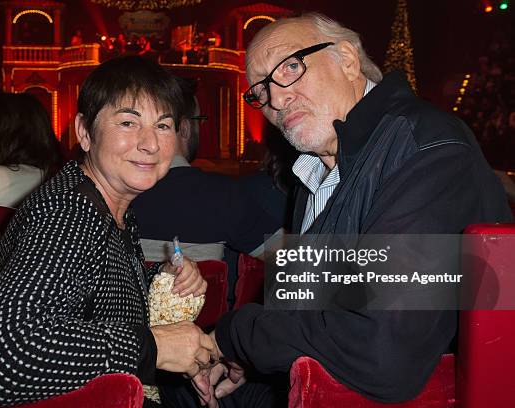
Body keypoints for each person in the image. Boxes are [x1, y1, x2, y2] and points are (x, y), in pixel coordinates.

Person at [177, 12, 512, 407]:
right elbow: (300, 302)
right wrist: (249, 356)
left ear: (349, 60)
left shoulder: (425, 147)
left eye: (291, 67)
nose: (277, 99)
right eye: (260, 90)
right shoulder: (315, 170)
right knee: (186, 391)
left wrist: (233, 335)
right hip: (321, 376)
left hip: (414, 394)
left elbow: (382, 354)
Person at [0, 56, 216, 407]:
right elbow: (1, 358)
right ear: (84, 132)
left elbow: (91, 294)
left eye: (163, 126)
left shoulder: (111, 206)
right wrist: (155, 348)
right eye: (128, 122)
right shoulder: (68, 213)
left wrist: (162, 280)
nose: (151, 144)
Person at [131, 77, 283, 273]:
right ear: (185, 127)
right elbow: (296, 258)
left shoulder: (113, 195)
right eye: (200, 120)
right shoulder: (223, 196)